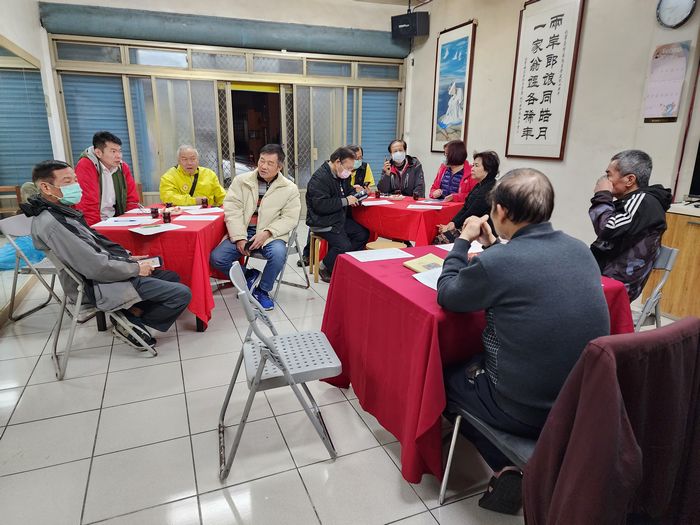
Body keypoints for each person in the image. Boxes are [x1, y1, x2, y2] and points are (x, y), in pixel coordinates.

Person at [437, 168, 610, 515]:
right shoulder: (580, 250)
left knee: (443, 380)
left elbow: (448, 294)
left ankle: (505, 463)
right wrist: (494, 247)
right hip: (580, 401)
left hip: (522, 409)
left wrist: (463, 241)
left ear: (500, 211)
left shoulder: (498, 263)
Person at [23, 160, 191, 349]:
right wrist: (134, 269)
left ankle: (130, 313)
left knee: (171, 276)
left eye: (75, 180)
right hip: (97, 284)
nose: (76, 186)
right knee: (181, 294)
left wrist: (128, 257)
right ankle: (135, 327)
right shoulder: (53, 223)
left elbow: (97, 244)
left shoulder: (62, 212)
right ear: (46, 187)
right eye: (67, 181)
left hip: (105, 272)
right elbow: (95, 266)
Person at [210, 144, 300, 310]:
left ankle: (262, 291)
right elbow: (232, 210)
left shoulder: (289, 188)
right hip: (244, 231)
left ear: (279, 167)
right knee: (217, 258)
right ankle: (249, 275)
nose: (263, 166)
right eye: (261, 160)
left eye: (270, 163)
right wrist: (239, 237)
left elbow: (290, 218)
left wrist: (267, 233)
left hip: (270, 235)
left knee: (278, 254)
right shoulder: (241, 181)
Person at [589, 149, 672, 301]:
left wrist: (602, 195)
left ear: (629, 180)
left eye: (609, 175)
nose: (605, 180)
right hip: (602, 276)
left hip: (616, 287)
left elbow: (607, 228)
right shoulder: (632, 201)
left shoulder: (644, 202)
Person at [306, 147, 369, 283]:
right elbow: (320, 205)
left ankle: (341, 262)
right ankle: (325, 266)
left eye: (351, 169)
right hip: (322, 221)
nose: (350, 172)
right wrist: (345, 201)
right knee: (344, 245)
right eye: (348, 168)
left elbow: (348, 190)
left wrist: (355, 195)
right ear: (337, 162)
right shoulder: (320, 178)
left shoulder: (341, 174)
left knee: (362, 234)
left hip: (337, 218)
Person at [74, 131, 140, 226]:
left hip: (115, 221)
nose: (119, 156)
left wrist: (133, 222)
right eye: (113, 151)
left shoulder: (122, 167)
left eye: (120, 151)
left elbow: (131, 200)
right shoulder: (86, 165)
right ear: (98, 153)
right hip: (95, 223)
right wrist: (96, 231)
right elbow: (87, 206)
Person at [434, 150, 499, 244]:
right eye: (473, 165)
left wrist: (453, 226)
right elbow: (465, 207)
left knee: (441, 240)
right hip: (470, 225)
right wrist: (452, 223)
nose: (472, 168)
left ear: (488, 169)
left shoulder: (490, 188)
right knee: (438, 235)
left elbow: (472, 212)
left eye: (476, 166)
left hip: (483, 231)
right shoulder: (479, 185)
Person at [159, 145, 226, 207]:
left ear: (198, 160)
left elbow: (222, 197)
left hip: (208, 213)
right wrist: (194, 201)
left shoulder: (209, 174)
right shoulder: (169, 176)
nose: (189, 163)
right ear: (178, 161)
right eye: (184, 159)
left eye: (193, 159)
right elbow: (167, 197)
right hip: (181, 214)